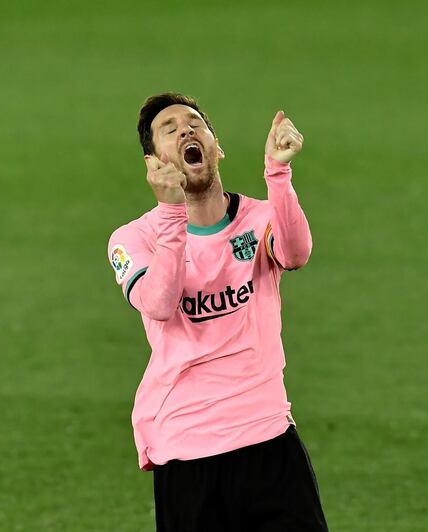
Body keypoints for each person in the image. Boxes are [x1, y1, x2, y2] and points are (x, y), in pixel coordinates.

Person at [107, 93, 328, 530]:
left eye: (195, 123)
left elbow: (296, 252)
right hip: (187, 450)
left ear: (216, 145)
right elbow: (159, 302)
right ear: (154, 165)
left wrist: (278, 173)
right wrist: (172, 214)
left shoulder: (259, 218)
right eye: (169, 129)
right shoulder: (132, 239)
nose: (186, 130)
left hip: (267, 438)